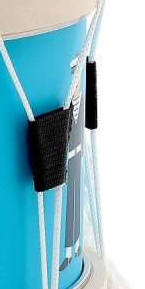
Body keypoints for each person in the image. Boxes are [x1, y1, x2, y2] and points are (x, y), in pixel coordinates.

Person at [60, 55, 84, 271]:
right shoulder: (65, 105)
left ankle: (77, 249)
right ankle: (68, 253)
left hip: (78, 158)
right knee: (69, 206)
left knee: (76, 202)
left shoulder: (80, 102)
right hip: (66, 163)